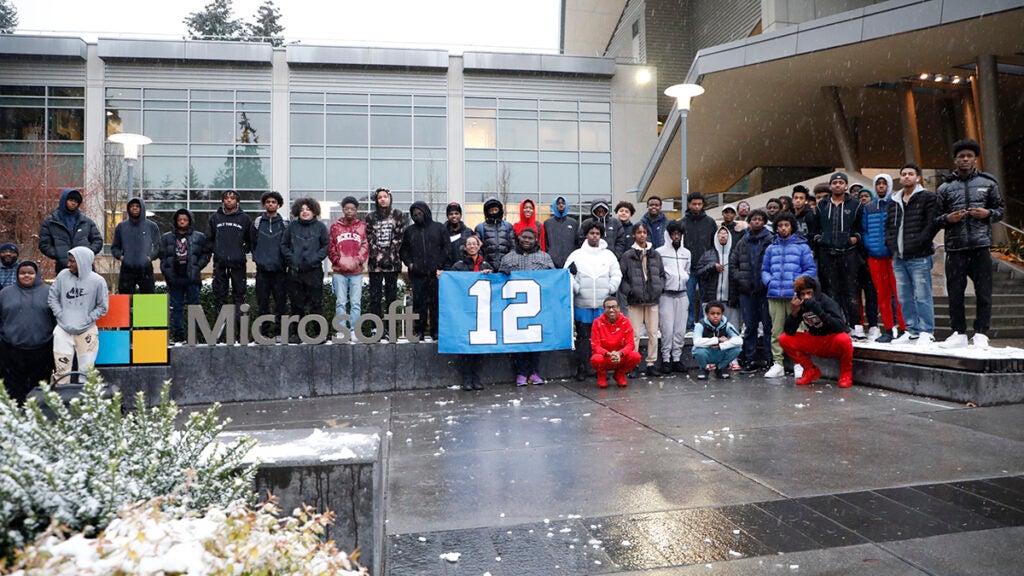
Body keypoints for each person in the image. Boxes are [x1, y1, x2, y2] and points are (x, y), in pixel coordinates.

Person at [936, 139, 1004, 349]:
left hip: (980, 246)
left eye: (969, 156)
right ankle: (958, 332)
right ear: (955, 160)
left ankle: (982, 332)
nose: (965, 160)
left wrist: (988, 213)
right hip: (955, 248)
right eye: (961, 156)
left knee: (984, 291)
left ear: (975, 158)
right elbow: (935, 218)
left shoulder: (989, 182)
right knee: (955, 293)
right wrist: (948, 219)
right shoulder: (945, 187)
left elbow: (1000, 210)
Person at [887, 163, 939, 346]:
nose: (907, 176)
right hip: (898, 257)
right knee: (904, 296)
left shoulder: (927, 197)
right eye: (904, 174)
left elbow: (932, 224)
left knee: (922, 294)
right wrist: (891, 245)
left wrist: (919, 243)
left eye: (911, 174)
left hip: (919, 256)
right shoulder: (894, 200)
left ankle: (927, 331)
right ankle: (911, 330)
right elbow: (889, 227)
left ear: (917, 177)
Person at [761, 212, 817, 378]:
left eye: (786, 225)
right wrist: (769, 282)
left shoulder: (802, 247)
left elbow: (810, 269)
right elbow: (764, 269)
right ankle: (777, 363)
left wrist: (798, 284)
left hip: (795, 296)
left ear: (792, 226)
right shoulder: (771, 248)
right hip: (775, 295)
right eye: (780, 225)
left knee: (798, 331)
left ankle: (799, 363)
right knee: (776, 331)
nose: (783, 228)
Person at [565, 221, 622, 381]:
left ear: (601, 235)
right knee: (583, 339)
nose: (594, 236)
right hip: (583, 305)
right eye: (591, 233)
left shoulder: (608, 255)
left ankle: (601, 369)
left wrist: (610, 289)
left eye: (597, 233)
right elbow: (567, 274)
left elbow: (617, 274)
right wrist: (576, 288)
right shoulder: (576, 255)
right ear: (586, 234)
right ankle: (582, 368)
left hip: (602, 306)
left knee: (603, 340)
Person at [500, 227, 554, 386]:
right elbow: (499, 279)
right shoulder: (508, 258)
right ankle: (521, 373)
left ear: (536, 239)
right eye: (524, 237)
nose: (527, 240)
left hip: (536, 307)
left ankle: (535, 372)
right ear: (519, 237)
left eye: (530, 238)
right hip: (515, 307)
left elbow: (553, 278)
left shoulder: (544, 257)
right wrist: (502, 273)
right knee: (518, 342)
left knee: (536, 341)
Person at [779, 275, 854, 388]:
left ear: (815, 292)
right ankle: (810, 370)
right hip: (815, 341)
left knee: (844, 339)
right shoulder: (801, 304)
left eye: (809, 293)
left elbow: (840, 327)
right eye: (803, 294)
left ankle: (846, 373)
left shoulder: (827, 301)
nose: (806, 297)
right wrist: (794, 313)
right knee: (784, 339)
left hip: (831, 340)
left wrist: (819, 311)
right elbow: (789, 331)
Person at [48, 247, 108, 380]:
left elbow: (103, 306)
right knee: (61, 372)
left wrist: (87, 319)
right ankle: (60, 400)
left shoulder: (98, 281)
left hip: (87, 330)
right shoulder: (63, 275)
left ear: (83, 262)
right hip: (63, 329)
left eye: (72, 261)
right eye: (68, 261)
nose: (68, 264)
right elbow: (52, 297)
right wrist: (60, 314)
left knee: (87, 372)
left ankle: (86, 400)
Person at [0, 261, 55, 403]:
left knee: (40, 390)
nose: (26, 276)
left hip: (42, 349)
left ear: (36, 274)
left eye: (30, 273)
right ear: (17, 274)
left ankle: (38, 418)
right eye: (22, 273)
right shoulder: (5, 293)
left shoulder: (49, 292)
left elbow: (56, 318)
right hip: (11, 350)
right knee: (13, 391)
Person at [815, 172, 862, 333]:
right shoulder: (822, 205)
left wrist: (853, 239)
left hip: (848, 252)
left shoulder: (855, 205)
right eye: (834, 182)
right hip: (827, 253)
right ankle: (838, 324)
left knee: (850, 290)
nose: (837, 185)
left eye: (841, 182)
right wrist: (820, 239)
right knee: (831, 291)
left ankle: (856, 325)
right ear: (830, 186)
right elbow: (816, 228)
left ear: (846, 185)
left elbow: (860, 227)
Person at [618, 223, 665, 377]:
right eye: (639, 232)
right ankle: (633, 363)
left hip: (652, 299)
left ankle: (651, 363)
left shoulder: (655, 254)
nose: (642, 235)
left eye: (644, 232)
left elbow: (662, 275)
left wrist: (658, 289)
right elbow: (622, 277)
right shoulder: (628, 255)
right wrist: (630, 291)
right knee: (634, 334)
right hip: (635, 300)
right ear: (634, 235)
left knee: (653, 332)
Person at [863, 174, 905, 343]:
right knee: (882, 294)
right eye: (878, 183)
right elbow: (865, 230)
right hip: (875, 257)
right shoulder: (869, 207)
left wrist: (893, 246)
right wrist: (870, 247)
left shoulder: (895, 204)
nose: (881, 186)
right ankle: (888, 329)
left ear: (888, 186)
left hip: (893, 256)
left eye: (884, 183)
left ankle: (904, 329)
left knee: (899, 293)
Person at [730, 209, 773, 372]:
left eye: (759, 219)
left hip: (765, 292)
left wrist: (767, 282)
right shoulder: (743, 241)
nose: (756, 222)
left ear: (764, 222)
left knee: (768, 327)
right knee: (750, 328)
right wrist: (740, 277)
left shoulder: (770, 240)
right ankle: (750, 359)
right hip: (747, 292)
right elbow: (733, 263)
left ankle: (770, 360)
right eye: (753, 219)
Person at [281, 197, 329, 342]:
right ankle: (296, 334)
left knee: (316, 304)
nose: (305, 212)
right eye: (302, 210)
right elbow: (284, 246)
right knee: (296, 305)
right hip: (295, 272)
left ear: (314, 211)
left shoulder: (320, 227)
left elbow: (326, 246)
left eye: (308, 209)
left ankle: (319, 333)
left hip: (314, 271)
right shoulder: (292, 227)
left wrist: (314, 259)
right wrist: (293, 260)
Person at [206, 190, 252, 340]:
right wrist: (218, 251)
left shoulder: (245, 219)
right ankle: (219, 335)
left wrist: (240, 251)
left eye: (232, 198)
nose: (229, 201)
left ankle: (241, 334)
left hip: (238, 264)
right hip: (220, 264)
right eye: (226, 198)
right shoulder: (215, 218)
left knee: (240, 298)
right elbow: (209, 239)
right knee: (220, 298)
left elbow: (251, 240)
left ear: (237, 201)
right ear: (222, 201)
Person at [400, 201, 449, 341]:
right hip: (418, 275)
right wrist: (410, 264)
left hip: (436, 275)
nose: (417, 216)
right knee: (419, 304)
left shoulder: (439, 228)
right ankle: (419, 331)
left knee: (436, 304)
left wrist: (439, 266)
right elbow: (404, 250)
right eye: (414, 214)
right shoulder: (410, 231)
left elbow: (446, 248)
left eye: (420, 213)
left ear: (426, 212)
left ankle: (436, 331)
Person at [450, 235, 493, 390]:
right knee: (466, 347)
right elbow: (452, 284)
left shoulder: (486, 265)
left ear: (479, 246)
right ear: (465, 247)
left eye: (474, 244)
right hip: (465, 312)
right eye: (469, 244)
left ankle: (477, 377)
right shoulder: (458, 266)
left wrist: (491, 275)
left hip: (481, 313)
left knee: (479, 347)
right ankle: (467, 378)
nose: (472, 246)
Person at [160, 209, 210, 344]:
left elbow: (206, 254)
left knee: (194, 307)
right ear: (176, 221)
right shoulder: (167, 238)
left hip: (192, 278)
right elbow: (163, 256)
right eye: (180, 219)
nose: (182, 222)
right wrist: (166, 270)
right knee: (176, 308)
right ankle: (178, 335)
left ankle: (194, 336)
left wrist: (197, 267)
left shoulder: (199, 237)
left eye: (185, 219)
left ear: (190, 221)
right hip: (175, 278)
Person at [696, 226, 741, 368]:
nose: (723, 237)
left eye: (725, 235)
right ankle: (710, 359)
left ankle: (732, 359)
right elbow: (699, 272)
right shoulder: (708, 254)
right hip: (712, 299)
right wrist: (711, 267)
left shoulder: (735, 254)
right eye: (720, 235)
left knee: (732, 330)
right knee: (709, 331)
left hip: (730, 299)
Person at [365, 187, 406, 339]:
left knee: (391, 298)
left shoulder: (398, 215)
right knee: (375, 298)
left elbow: (399, 237)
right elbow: (369, 238)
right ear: (376, 200)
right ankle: (376, 328)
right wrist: (379, 254)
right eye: (380, 197)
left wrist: (388, 254)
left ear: (390, 198)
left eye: (385, 196)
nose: (383, 199)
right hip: (375, 265)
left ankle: (391, 329)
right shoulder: (370, 217)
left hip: (392, 263)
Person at [38, 188, 103, 274]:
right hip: (63, 267)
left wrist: (88, 252)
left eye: (76, 201)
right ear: (64, 200)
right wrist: (59, 254)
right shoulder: (50, 222)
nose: (73, 203)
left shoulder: (86, 221)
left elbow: (98, 240)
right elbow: (44, 244)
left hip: (85, 266)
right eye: (71, 200)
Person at [251, 191, 289, 338]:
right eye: (268, 202)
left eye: (273, 202)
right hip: (262, 271)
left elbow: (287, 245)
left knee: (281, 304)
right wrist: (258, 259)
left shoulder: (285, 223)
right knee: (263, 304)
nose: (271, 204)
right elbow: (252, 243)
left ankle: (280, 333)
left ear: (278, 205)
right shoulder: (257, 223)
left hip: (279, 271)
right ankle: (264, 334)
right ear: (264, 204)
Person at [679, 192, 718, 333]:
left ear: (703, 205)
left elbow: (715, 245)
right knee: (687, 298)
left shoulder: (710, 223)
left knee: (705, 299)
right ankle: (689, 325)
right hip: (688, 267)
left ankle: (704, 324)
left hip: (706, 268)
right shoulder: (682, 223)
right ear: (689, 204)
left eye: (699, 204)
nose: (696, 207)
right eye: (694, 204)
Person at [328, 196, 368, 331]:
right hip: (339, 272)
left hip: (356, 272)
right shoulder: (335, 227)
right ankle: (341, 330)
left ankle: (354, 331)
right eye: (347, 209)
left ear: (356, 211)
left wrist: (358, 260)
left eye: (352, 209)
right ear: (343, 210)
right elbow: (331, 246)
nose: (349, 211)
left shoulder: (362, 227)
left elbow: (365, 246)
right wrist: (337, 260)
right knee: (340, 303)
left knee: (356, 303)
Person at [656, 220, 691, 373]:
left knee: (680, 329)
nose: (676, 237)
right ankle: (665, 359)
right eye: (674, 234)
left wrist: (683, 278)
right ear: (669, 235)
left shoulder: (686, 253)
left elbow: (687, 271)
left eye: (679, 234)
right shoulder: (660, 252)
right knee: (667, 329)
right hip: (666, 295)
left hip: (682, 295)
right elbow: (657, 273)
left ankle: (677, 358)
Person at [110, 197, 160, 295]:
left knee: (148, 299)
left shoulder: (152, 226)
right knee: (125, 300)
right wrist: (121, 257)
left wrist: (150, 257)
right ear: (128, 208)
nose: (135, 208)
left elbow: (158, 246)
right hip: (127, 268)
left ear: (142, 208)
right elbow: (115, 247)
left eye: (137, 206)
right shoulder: (121, 227)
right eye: (132, 206)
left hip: (145, 268)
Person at [590, 296, 642, 388]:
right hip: (605, 356)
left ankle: (620, 374)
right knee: (596, 359)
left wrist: (620, 353)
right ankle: (601, 375)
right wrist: (608, 354)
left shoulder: (626, 322)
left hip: (620, 357)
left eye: (614, 307)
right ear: (604, 309)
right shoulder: (597, 322)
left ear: (619, 308)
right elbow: (595, 346)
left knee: (635, 356)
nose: (611, 310)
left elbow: (630, 344)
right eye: (608, 307)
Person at [691, 301, 743, 380]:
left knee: (737, 349)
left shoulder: (727, 325)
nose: (715, 316)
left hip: (720, 351)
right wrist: (717, 340)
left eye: (718, 314)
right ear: (707, 314)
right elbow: (696, 342)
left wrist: (720, 345)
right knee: (698, 351)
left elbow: (739, 340)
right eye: (712, 314)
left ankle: (719, 368)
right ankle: (704, 369)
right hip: (707, 351)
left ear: (722, 314)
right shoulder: (700, 325)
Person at [475, 196, 515, 272]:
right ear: (487, 212)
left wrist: (507, 264)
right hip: (487, 269)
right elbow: (478, 250)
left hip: (506, 269)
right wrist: (484, 265)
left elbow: (513, 247)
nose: (493, 212)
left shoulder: (508, 226)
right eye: (491, 210)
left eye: (496, 210)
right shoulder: (480, 228)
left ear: (499, 210)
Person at [543, 195, 580, 269]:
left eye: (563, 203)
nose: (561, 205)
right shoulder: (548, 223)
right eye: (558, 203)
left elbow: (577, 243)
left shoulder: (573, 223)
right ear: (555, 205)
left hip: (570, 262)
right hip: (552, 263)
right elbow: (545, 243)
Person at [443, 202, 474, 266]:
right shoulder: (441, 232)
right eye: (451, 214)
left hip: (464, 270)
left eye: (456, 213)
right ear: (447, 216)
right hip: (446, 270)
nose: (454, 216)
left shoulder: (469, 232)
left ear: (460, 215)